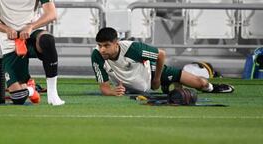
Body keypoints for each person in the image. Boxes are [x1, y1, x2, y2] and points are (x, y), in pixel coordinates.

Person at [91, 27, 234, 96]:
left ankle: (212, 86)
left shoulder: (134, 49)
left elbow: (160, 55)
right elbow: (104, 87)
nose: (102, 49)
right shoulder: (97, 55)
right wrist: (112, 92)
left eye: (106, 45)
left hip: (152, 72)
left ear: (116, 43)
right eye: (100, 45)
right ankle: (171, 85)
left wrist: (157, 80)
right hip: (132, 86)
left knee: (200, 83)